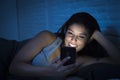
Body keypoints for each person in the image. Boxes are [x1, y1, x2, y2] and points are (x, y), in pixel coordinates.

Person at [9, 12, 120, 80]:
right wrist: (48, 72)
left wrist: (98, 36)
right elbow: (14, 67)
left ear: (88, 41)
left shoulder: (82, 60)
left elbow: (116, 61)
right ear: (66, 31)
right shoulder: (47, 37)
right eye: (70, 33)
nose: (73, 40)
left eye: (81, 37)